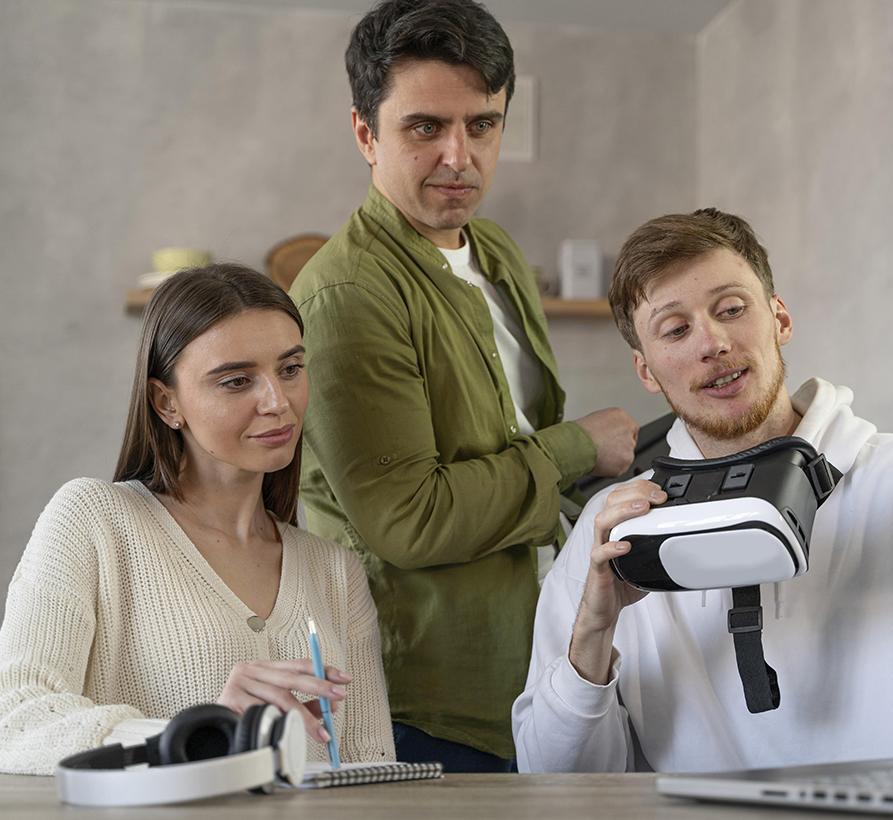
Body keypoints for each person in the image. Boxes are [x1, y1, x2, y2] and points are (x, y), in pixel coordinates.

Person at [512, 208, 893, 773]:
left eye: (732, 309)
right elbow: (552, 778)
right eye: (676, 330)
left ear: (779, 319)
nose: (713, 342)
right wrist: (593, 634)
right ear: (646, 370)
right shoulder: (614, 528)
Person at [289, 0, 638, 771]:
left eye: (482, 125)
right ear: (365, 133)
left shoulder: (497, 251)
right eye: (425, 128)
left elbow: (518, 442)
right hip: (432, 701)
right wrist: (579, 446)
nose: (460, 156)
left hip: (542, 659)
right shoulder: (347, 295)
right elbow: (409, 520)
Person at [0, 265, 395, 775]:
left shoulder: (335, 572)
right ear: (166, 403)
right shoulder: (93, 521)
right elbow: (16, 721)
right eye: (236, 381)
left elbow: (371, 771)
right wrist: (197, 736)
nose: (278, 402)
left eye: (291, 369)